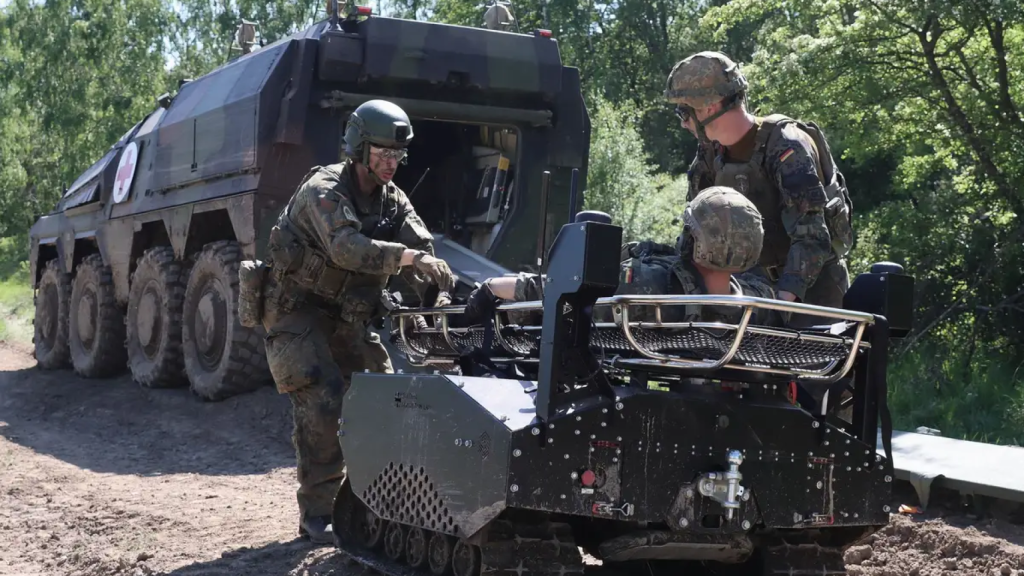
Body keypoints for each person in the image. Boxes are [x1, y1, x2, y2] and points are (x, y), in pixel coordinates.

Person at [257, 99, 455, 544]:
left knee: (384, 402)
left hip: (350, 316)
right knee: (324, 400)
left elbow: (423, 248)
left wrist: (434, 285)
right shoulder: (323, 190)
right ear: (360, 148)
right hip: (298, 313)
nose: (392, 163)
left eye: (398, 155)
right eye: (384, 153)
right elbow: (346, 249)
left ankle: (378, 508)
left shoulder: (393, 200)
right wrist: (408, 257)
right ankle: (317, 515)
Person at [663, 51, 855, 326]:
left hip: (811, 296)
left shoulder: (786, 146)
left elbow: (813, 236)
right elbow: (695, 229)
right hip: (751, 291)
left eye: (684, 111)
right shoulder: (709, 154)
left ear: (710, 107)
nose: (682, 122)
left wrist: (779, 305)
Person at [462, 186, 780, 326]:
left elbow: (557, 290)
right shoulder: (758, 303)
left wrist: (491, 287)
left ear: (692, 239)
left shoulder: (648, 285)